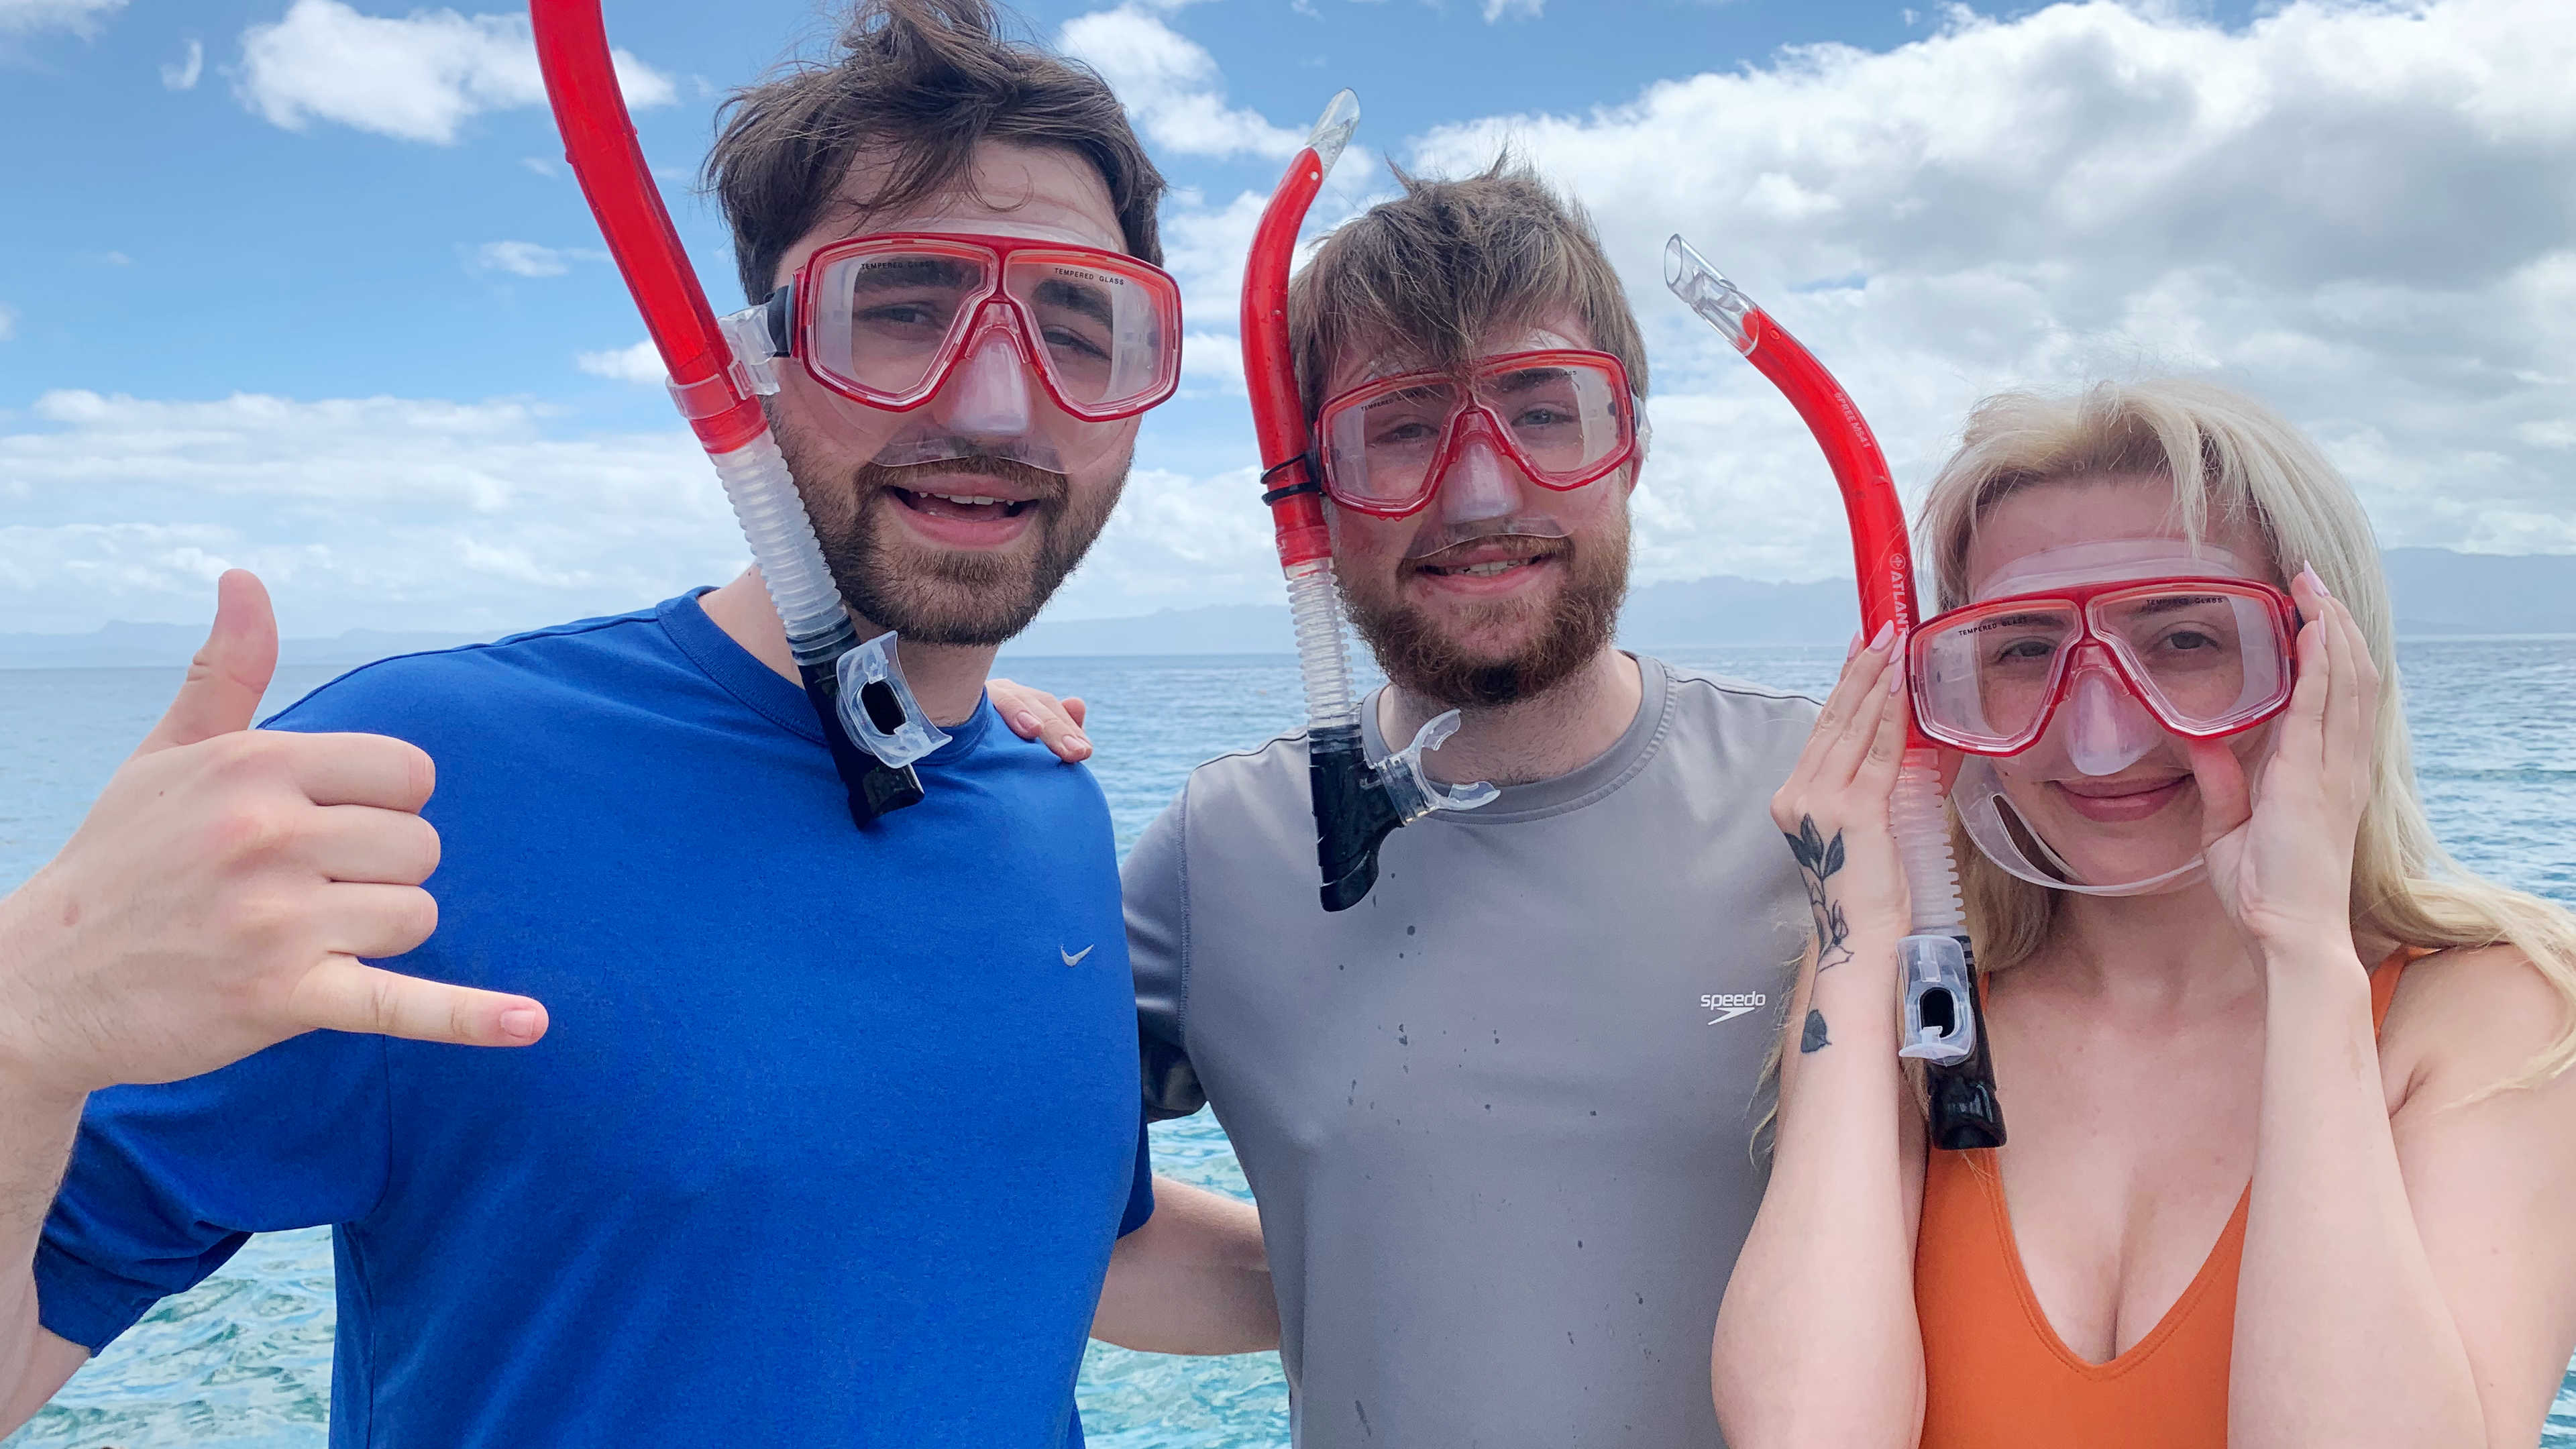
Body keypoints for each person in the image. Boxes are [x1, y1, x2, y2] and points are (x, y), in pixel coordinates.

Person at [0, 3, 1268, 1443]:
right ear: (751, 361)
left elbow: (1060, 1249)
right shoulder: (426, 783)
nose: (993, 399)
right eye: (899, 306)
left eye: (1080, 327)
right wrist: (25, 1030)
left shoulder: (1046, 802)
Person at [998, 160, 1821, 1445]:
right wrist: (950, 789)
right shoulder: (1226, 853)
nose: (1481, 494)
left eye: (1546, 413)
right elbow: (972, 1173)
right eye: (1401, 426)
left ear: (1632, 453)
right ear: (1308, 492)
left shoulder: (1826, 811)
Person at [1711, 378, 2576, 1447]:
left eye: (2186, 642)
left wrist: (2303, 952)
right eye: (2025, 651)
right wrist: (1855, 933)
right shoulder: (1907, 1001)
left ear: (2324, 667)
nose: (2102, 733)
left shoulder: (2495, 1022)